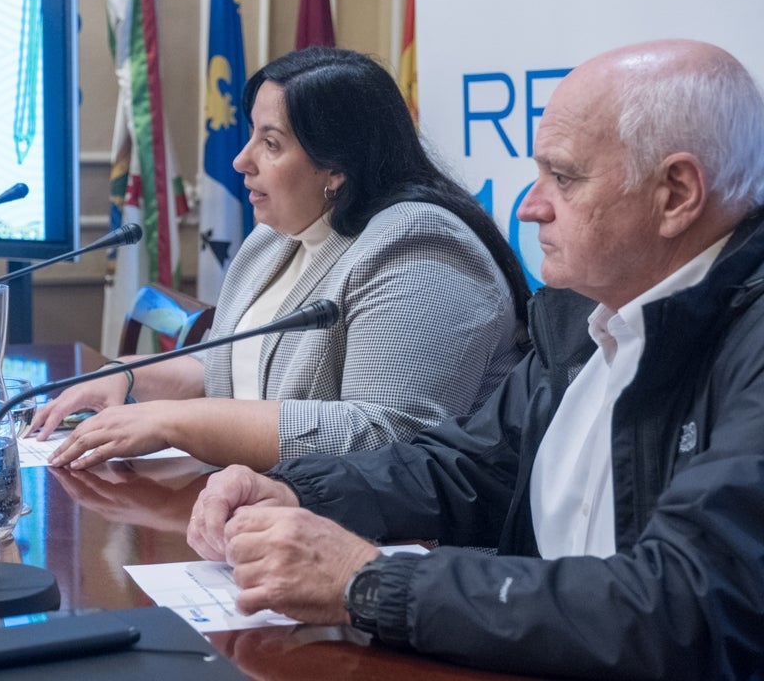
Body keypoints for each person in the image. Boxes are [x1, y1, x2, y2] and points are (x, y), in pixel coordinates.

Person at [185, 38, 764, 679]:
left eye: (564, 177)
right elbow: (470, 466)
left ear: (676, 193)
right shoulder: (580, 313)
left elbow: (680, 607)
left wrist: (370, 582)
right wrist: (298, 490)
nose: (529, 205)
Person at [30, 46, 530, 471]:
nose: (241, 161)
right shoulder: (275, 239)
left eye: (270, 143)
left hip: (401, 550)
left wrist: (173, 421)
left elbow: (385, 437)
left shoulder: (419, 246)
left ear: (336, 166)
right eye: (252, 135)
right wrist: (127, 374)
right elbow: (229, 368)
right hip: (263, 508)